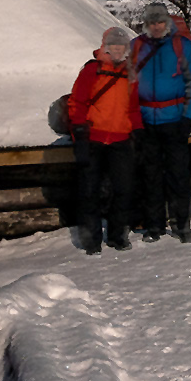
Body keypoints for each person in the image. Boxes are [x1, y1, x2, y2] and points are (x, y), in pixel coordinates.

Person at [130, 2, 191, 242]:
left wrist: (187, 118)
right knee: (150, 177)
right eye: (152, 22)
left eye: (160, 21)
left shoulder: (181, 46)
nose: (157, 26)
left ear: (167, 22)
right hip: (145, 123)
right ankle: (154, 226)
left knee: (178, 176)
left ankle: (182, 226)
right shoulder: (136, 47)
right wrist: (134, 122)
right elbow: (126, 85)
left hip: (174, 122)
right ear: (146, 24)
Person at [67, 25, 142, 253]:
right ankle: (91, 240)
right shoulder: (92, 70)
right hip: (93, 138)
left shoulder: (131, 74)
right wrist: (79, 130)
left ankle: (117, 236)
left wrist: (138, 130)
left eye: (122, 46)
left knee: (123, 189)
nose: (118, 50)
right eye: (114, 45)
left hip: (121, 139)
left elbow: (135, 108)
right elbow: (77, 101)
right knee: (90, 191)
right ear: (106, 46)